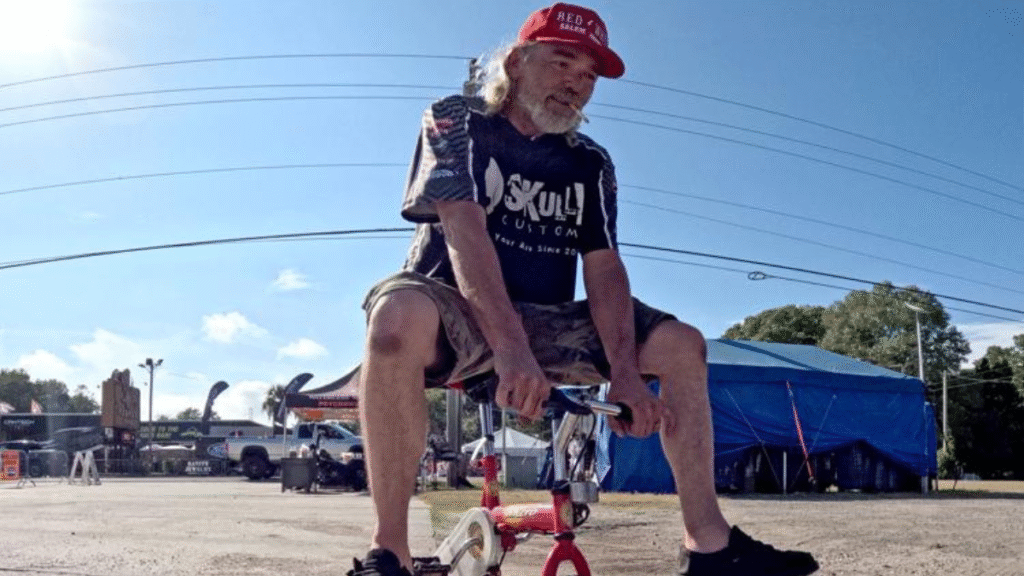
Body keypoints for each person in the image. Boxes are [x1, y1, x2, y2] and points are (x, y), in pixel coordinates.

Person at [347, 4, 819, 576]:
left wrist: (624, 370)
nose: (577, 82)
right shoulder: (456, 120)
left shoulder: (589, 162)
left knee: (682, 343)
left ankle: (709, 545)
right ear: (517, 63)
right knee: (395, 313)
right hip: (456, 309)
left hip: (548, 317)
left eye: (590, 75)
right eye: (563, 60)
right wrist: (512, 353)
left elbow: (603, 268)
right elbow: (464, 234)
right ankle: (389, 551)